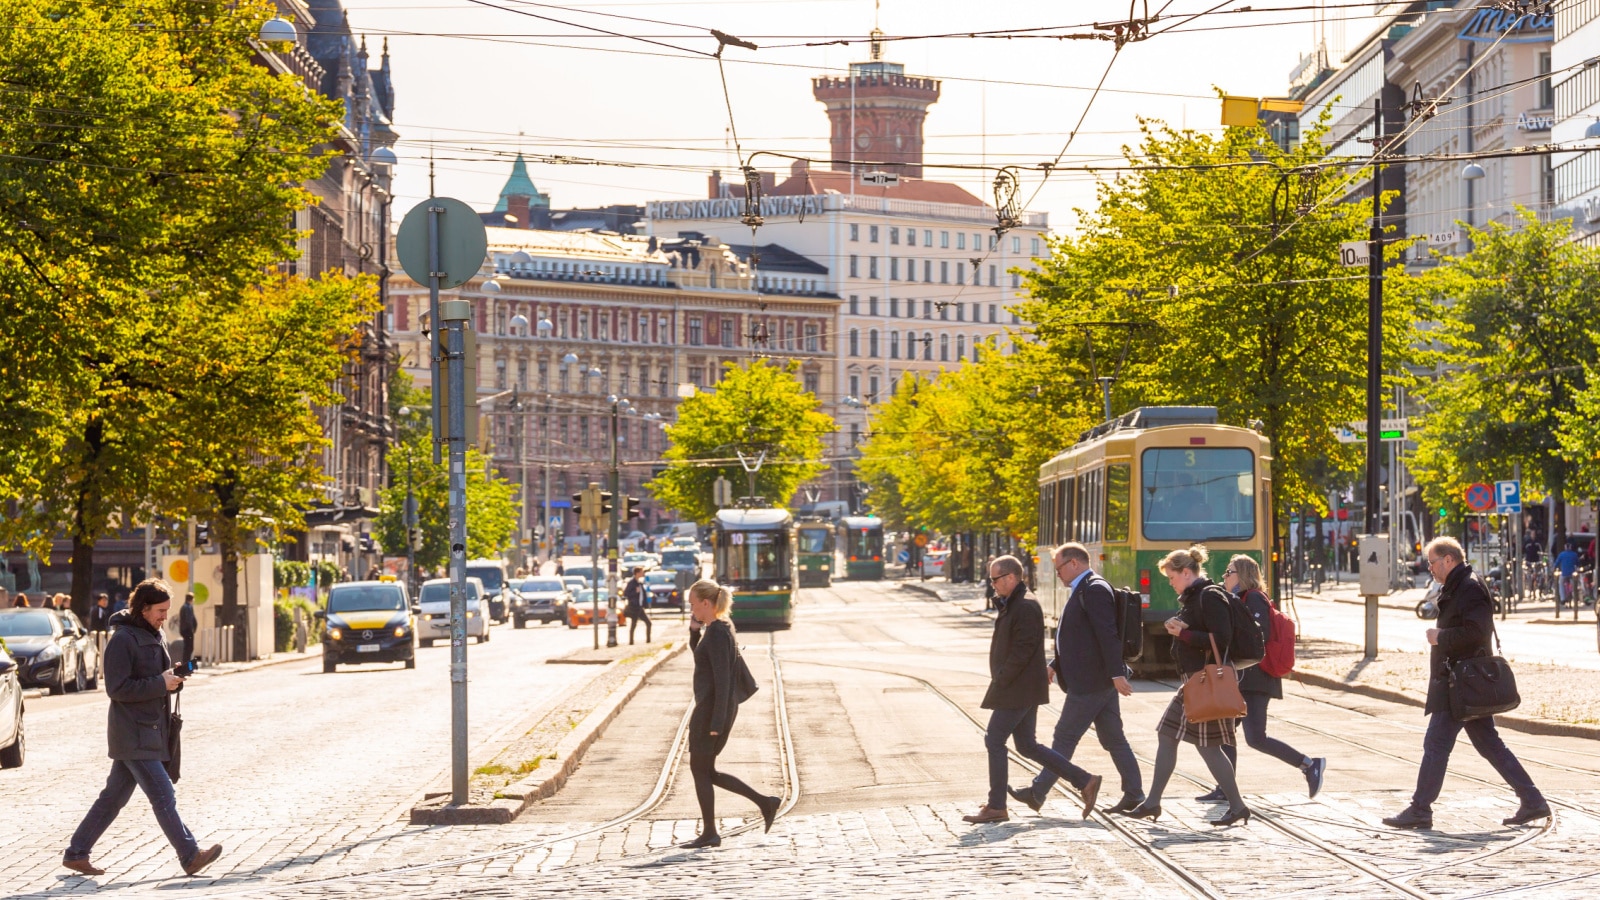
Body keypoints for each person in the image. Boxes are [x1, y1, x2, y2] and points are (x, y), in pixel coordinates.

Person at [1383, 538, 1549, 830]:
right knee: (1489, 745)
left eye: (1432, 563)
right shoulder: (1460, 584)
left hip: (1461, 683)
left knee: (1436, 744)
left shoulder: (1469, 587)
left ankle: (1420, 809)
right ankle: (1532, 800)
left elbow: (1477, 630)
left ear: (1448, 560)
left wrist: (1441, 637)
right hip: (1463, 681)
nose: (1429, 569)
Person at [63, 579, 222, 878]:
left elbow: (152, 679)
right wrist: (160, 683)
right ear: (143, 608)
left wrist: (171, 680)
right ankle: (190, 855)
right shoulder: (123, 639)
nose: (165, 616)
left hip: (149, 731)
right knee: (163, 795)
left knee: (113, 798)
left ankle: (76, 852)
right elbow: (117, 688)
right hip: (132, 734)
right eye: (160, 611)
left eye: (166, 611)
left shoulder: (155, 633)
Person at [1121, 545, 1251, 827]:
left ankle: (1238, 805)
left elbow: (1222, 638)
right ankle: (1153, 802)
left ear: (1186, 572)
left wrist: (1185, 632)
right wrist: (1182, 629)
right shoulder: (1194, 598)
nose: (1169, 582)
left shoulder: (1209, 596)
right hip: (1195, 683)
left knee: (1208, 747)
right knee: (1169, 735)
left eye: (1171, 577)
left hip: (1206, 682)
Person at [1010, 544, 1143, 816]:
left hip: (1092, 680)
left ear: (1073, 563)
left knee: (1065, 736)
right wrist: (1054, 664)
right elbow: (1079, 639)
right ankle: (1134, 793)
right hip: (1095, 678)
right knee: (1113, 738)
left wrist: (1117, 673)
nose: (1057, 573)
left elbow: (1107, 634)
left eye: (1058, 567)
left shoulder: (1094, 589)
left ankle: (1038, 792)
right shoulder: (1084, 589)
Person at [964, 555, 1095, 824]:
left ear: (1011, 577)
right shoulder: (1015, 602)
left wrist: (1002, 678)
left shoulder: (1024, 605)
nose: (993, 585)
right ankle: (1085, 780)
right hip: (1019, 687)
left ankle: (996, 805)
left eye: (995, 579)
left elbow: (1023, 650)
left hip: (1017, 688)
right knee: (1026, 745)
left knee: (994, 740)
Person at [1194, 555, 1326, 802]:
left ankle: (1309, 764)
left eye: (1229, 571)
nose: (1225, 576)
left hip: (1257, 679)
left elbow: (1259, 634)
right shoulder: (1239, 599)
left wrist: (1231, 618)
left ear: (1242, 575)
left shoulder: (1253, 597)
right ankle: (1225, 787)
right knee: (1225, 732)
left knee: (1256, 738)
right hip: (1243, 677)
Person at [680, 579, 780, 849]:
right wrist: (693, 634)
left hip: (713, 711)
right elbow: (704, 660)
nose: (691, 609)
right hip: (711, 708)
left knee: (701, 770)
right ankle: (764, 803)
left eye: (693, 605)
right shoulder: (717, 629)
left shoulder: (718, 633)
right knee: (706, 771)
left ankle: (712, 832)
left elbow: (723, 680)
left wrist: (717, 722)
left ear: (706, 603)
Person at [624, 567, 651, 644]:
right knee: (633, 624)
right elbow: (626, 594)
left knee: (648, 623)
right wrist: (635, 592)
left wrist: (644, 605)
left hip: (640, 607)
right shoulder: (632, 583)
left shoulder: (639, 583)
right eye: (641, 572)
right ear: (637, 573)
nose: (643, 573)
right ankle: (631, 641)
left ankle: (648, 640)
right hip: (634, 607)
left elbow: (643, 595)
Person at [1554, 541, 1579, 611]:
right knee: (1574, 584)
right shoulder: (1574, 554)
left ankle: (1562, 598)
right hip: (1572, 574)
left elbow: (1556, 563)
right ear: (1571, 547)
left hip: (1564, 573)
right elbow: (1578, 563)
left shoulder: (1561, 554)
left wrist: (1554, 568)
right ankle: (1575, 597)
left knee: (1560, 583)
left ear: (1565, 547)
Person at [179, 593, 198, 666]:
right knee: (189, 649)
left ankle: (187, 667)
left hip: (185, 631)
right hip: (188, 631)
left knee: (188, 649)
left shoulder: (185, 607)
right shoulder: (188, 607)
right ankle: (187, 667)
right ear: (192, 599)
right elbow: (189, 620)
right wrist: (192, 629)